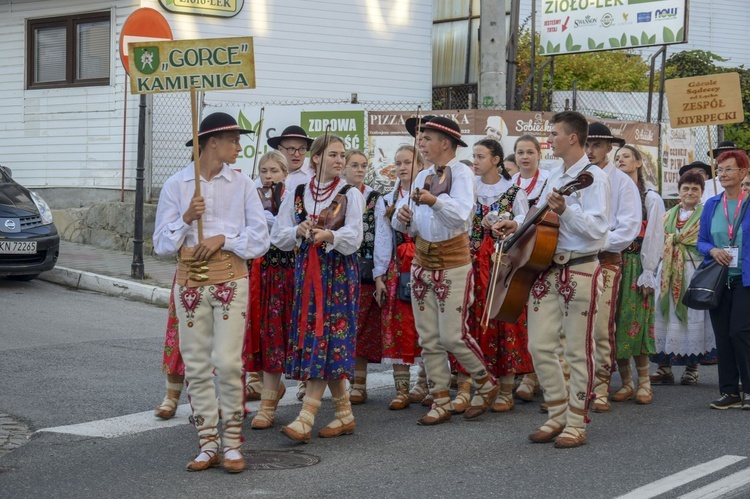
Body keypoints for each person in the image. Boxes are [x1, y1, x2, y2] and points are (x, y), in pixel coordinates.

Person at [153, 112, 270, 473]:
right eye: (233, 140)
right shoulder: (177, 184)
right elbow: (160, 244)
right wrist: (187, 217)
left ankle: (233, 442)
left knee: (229, 361)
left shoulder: (243, 184)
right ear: (212, 143)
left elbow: (261, 238)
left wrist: (225, 238)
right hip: (189, 282)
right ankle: (208, 443)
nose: (238, 146)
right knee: (198, 365)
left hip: (230, 279)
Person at [393, 116, 501, 426]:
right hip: (422, 261)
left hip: (453, 262)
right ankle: (440, 399)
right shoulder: (421, 175)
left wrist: (433, 200)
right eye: (421, 138)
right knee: (428, 338)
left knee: (453, 336)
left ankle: (485, 381)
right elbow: (411, 224)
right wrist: (402, 217)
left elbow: (461, 214)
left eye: (426, 138)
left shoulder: (463, 172)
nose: (422, 143)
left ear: (445, 142)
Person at [271, 134, 365, 441]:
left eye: (342, 155)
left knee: (327, 340)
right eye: (334, 155)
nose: (340, 160)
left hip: (337, 275)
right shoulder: (298, 192)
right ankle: (344, 415)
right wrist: (298, 230)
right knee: (317, 340)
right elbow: (278, 235)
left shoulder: (349, 193)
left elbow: (354, 238)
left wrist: (329, 237)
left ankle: (306, 417)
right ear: (317, 158)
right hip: (305, 275)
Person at [524, 111, 609, 449]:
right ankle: (557, 412)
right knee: (539, 345)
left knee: (577, 349)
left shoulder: (594, 178)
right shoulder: (552, 174)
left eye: (555, 133)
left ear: (573, 138)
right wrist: (510, 224)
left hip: (581, 266)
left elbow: (598, 229)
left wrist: (567, 211)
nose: (550, 138)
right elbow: (537, 213)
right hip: (547, 266)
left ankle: (576, 421)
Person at [465, 138, 531, 414]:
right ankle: (479, 383)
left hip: (501, 264)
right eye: (474, 156)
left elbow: (527, 227)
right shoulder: (468, 191)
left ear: (495, 160)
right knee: (472, 320)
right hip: (471, 263)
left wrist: (509, 229)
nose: (476, 161)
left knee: (503, 320)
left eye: (481, 156)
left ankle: (505, 387)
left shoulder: (514, 192)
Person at [584, 123, 642, 413]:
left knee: (601, 324)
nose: (590, 150)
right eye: (587, 144)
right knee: (573, 326)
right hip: (576, 258)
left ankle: (601, 385)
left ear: (609, 148)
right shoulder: (577, 177)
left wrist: (596, 241)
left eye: (596, 145)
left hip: (605, 258)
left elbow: (629, 226)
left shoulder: (622, 182)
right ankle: (578, 385)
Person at [243, 151, 297, 429]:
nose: (268, 176)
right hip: (261, 274)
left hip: (288, 274)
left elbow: (289, 231)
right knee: (265, 334)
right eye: (264, 171)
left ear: (285, 173)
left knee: (287, 333)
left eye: (274, 170)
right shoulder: (252, 196)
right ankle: (268, 399)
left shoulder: (293, 197)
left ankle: (277, 397)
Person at [611, 145, 665, 406]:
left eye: (625, 156)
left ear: (639, 162)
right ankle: (626, 382)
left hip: (636, 264)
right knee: (615, 323)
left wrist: (649, 271)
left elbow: (655, 235)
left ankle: (644, 382)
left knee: (636, 322)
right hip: (614, 262)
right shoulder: (614, 194)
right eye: (617, 157)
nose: (620, 160)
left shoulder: (650, 197)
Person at [696, 150, 750, 410]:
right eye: (720, 169)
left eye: (729, 169)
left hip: (745, 279)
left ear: (743, 173)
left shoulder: (748, 203)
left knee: (739, 331)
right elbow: (701, 242)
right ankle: (729, 392)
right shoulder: (712, 205)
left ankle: (749, 390)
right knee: (722, 336)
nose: (723, 174)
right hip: (718, 280)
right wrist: (713, 251)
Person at [265, 124, 315, 401]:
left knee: (305, 320)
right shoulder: (267, 179)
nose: (296, 153)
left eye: (301, 149)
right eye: (289, 148)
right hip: (274, 260)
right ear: (280, 151)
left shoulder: (311, 180)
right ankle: (266, 381)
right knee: (274, 323)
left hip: (303, 259)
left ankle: (307, 378)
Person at [651, 172, 715, 386]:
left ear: (701, 193)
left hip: (692, 270)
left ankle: (692, 369)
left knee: (693, 316)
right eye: (686, 188)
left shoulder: (707, 215)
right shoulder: (668, 216)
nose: (689, 192)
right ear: (679, 191)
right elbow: (658, 241)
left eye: (695, 189)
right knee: (664, 315)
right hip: (667, 273)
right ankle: (664, 368)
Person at [343, 149, 393, 406]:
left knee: (360, 327)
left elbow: (382, 237)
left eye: (363, 166)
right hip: (339, 268)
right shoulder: (335, 196)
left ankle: (359, 383)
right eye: (354, 165)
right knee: (340, 326)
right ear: (344, 167)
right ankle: (338, 382)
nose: (359, 170)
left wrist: (378, 274)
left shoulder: (375, 198)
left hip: (362, 270)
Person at [381, 145, 425, 409]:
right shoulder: (387, 199)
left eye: (408, 162)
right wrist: (379, 275)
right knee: (397, 327)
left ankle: (425, 382)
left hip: (424, 263)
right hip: (397, 268)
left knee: (425, 325)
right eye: (398, 163)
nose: (402, 167)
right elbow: (383, 240)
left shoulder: (428, 194)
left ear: (419, 165)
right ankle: (401, 389)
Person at [509, 134, 551, 402]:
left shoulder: (548, 180)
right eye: (520, 152)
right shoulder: (510, 184)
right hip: (517, 250)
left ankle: (533, 375)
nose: (524, 157)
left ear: (539, 155)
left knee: (539, 312)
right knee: (518, 310)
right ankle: (520, 368)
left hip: (542, 248)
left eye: (529, 152)